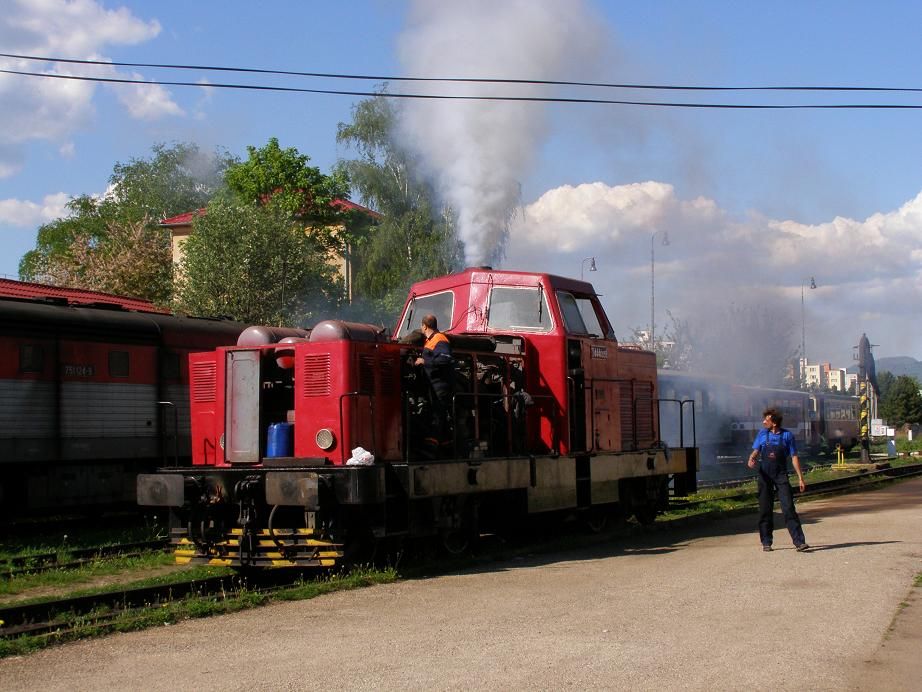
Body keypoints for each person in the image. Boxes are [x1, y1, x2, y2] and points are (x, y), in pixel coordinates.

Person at [747, 407, 810, 552]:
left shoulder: (787, 436)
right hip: (765, 475)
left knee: (788, 508)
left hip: (781, 475)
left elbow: (794, 457)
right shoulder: (762, 434)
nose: (763, 422)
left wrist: (800, 478)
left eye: (766, 420)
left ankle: (799, 542)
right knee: (765, 509)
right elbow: (756, 451)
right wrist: (751, 458)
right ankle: (766, 542)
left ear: (774, 423)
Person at [414, 314, 454, 444]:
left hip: (439, 386)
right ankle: (442, 443)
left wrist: (424, 361)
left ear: (424, 326)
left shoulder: (440, 339)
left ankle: (434, 443)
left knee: (438, 413)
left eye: (421, 326)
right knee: (435, 413)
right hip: (432, 385)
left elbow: (445, 359)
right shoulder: (429, 341)